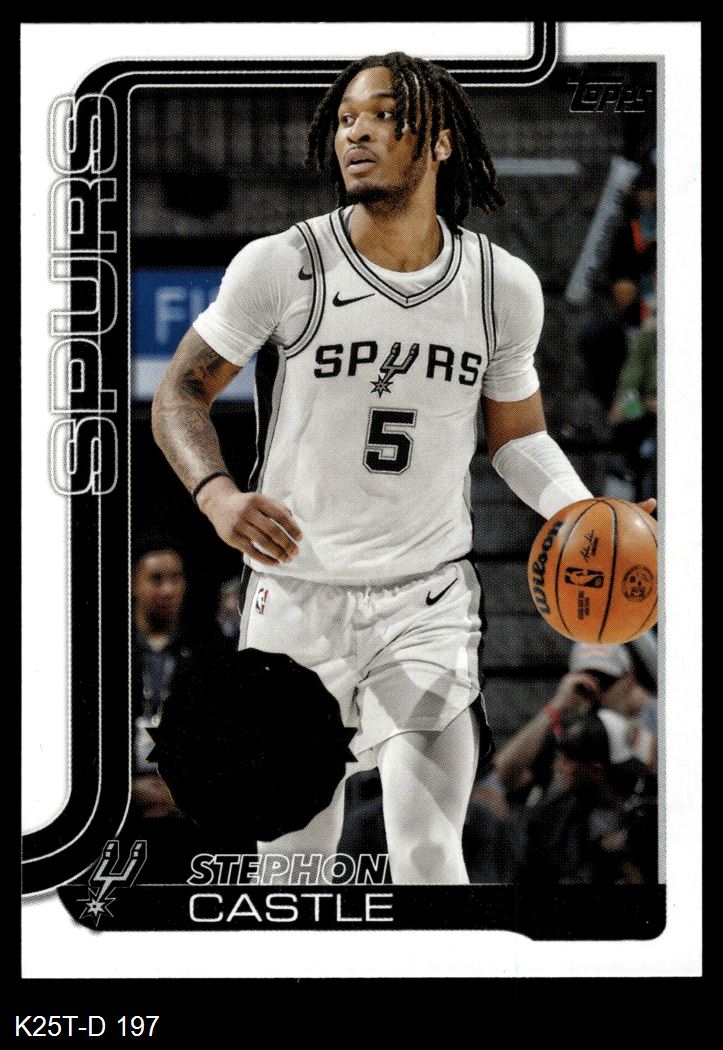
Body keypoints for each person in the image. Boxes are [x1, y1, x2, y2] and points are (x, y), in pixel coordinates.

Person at [151, 52, 654, 885]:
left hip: (425, 602)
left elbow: (516, 439)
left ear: (440, 141)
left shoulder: (500, 286)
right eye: (346, 118)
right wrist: (216, 495)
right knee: (292, 863)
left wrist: (578, 512)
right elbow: (179, 393)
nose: (356, 132)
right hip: (297, 598)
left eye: (382, 115)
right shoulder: (284, 264)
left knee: (425, 849)